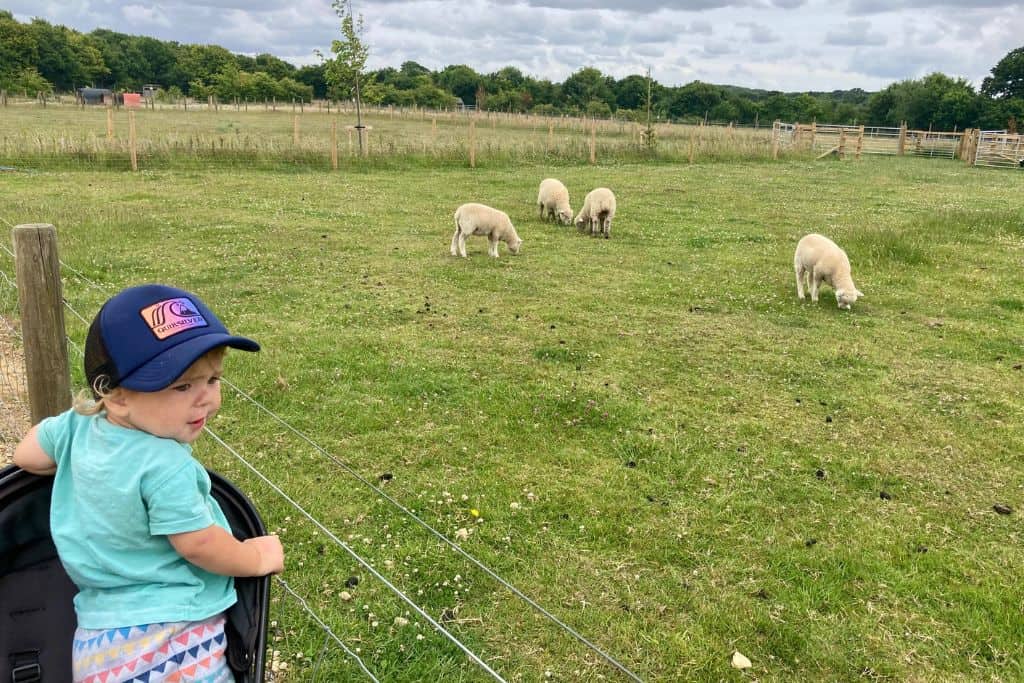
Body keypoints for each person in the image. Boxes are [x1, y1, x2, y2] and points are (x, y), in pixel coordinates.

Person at [13, 283, 285, 683]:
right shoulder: (165, 465)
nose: (206, 399)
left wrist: (83, 465)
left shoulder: (76, 428)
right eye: (182, 386)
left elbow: (27, 455)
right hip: (174, 641)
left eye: (212, 379)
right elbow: (198, 544)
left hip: (97, 644)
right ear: (117, 395)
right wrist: (255, 558)